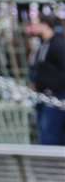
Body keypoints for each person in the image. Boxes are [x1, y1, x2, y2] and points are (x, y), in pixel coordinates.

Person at [31, 16, 65, 146]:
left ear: (45, 25)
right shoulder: (44, 44)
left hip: (56, 96)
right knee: (47, 132)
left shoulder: (58, 44)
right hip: (44, 95)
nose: (33, 27)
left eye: (36, 23)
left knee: (50, 135)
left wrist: (51, 85)